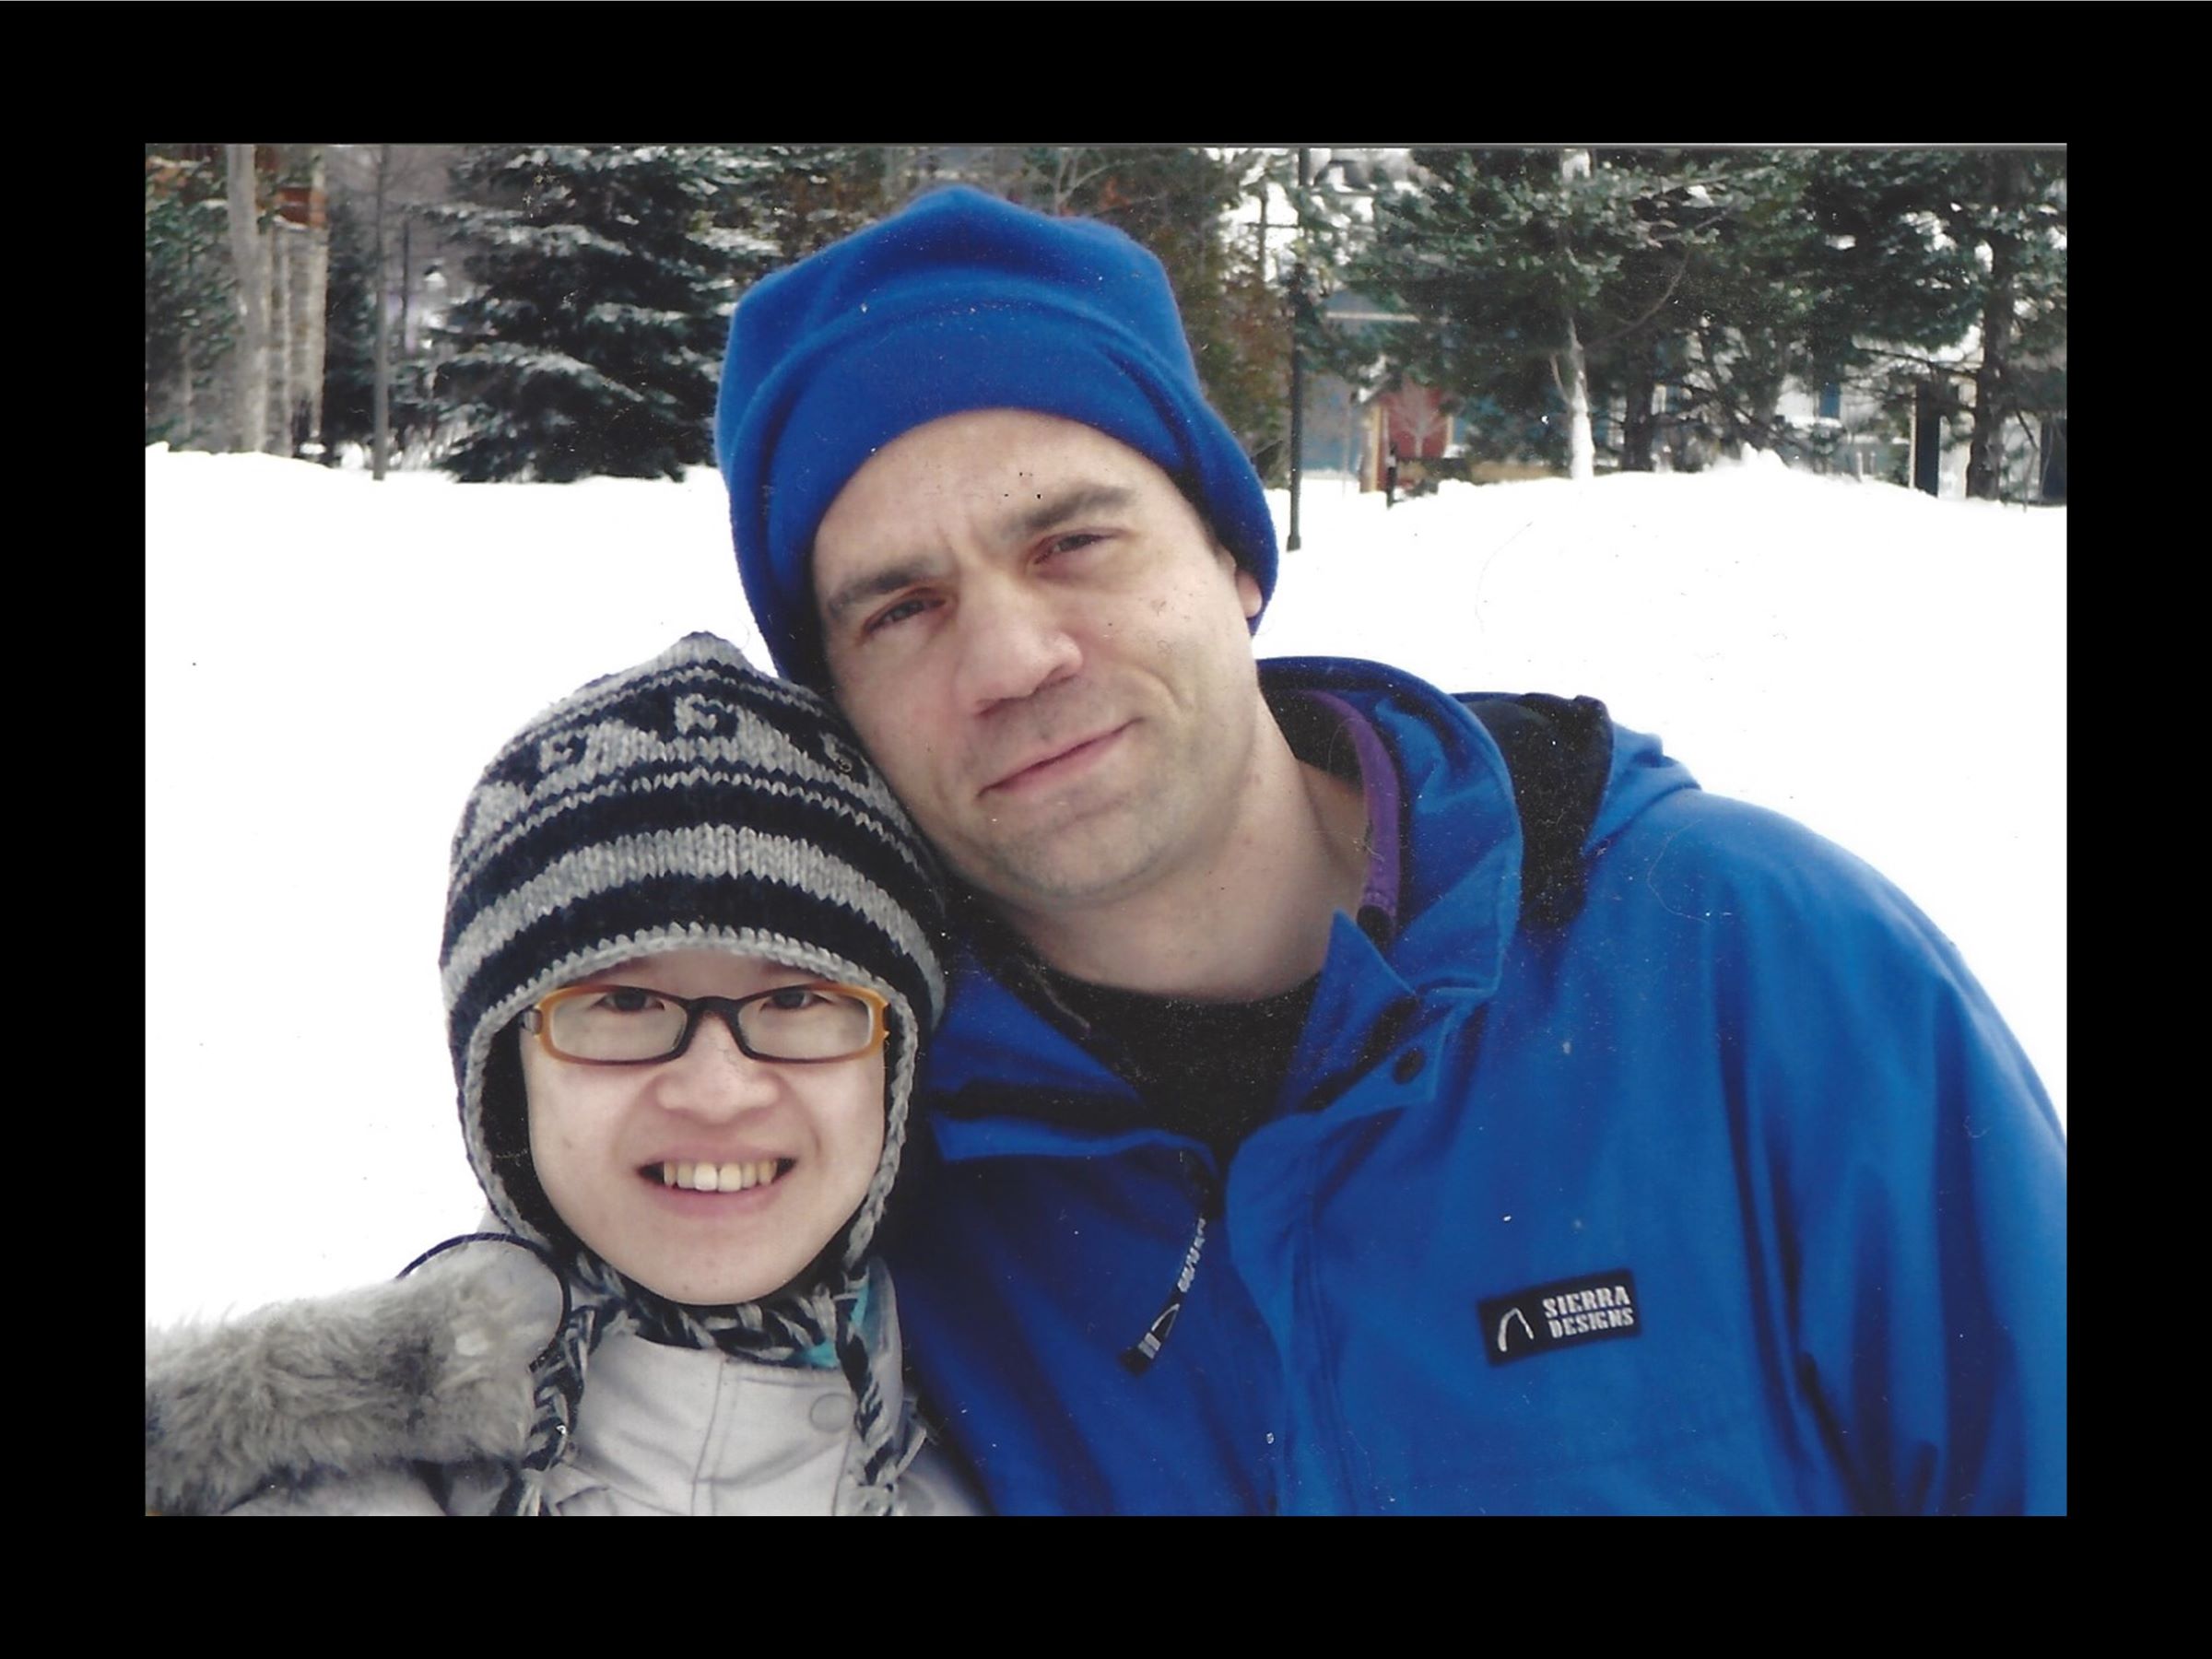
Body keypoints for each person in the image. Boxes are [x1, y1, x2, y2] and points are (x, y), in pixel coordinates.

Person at [713, 185, 2067, 1514]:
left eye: (1073, 541)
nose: (1011, 657)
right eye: (900, 611)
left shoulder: (1749, 966)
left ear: (1232, 558)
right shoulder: (849, 1155)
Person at [145, 633, 980, 1516]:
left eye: (800, 1002)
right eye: (623, 1006)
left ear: (891, 1073)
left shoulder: (1026, 1468)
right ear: (509, 1086)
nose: (717, 1088)